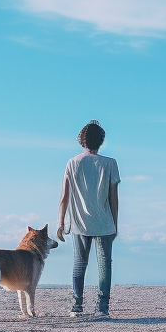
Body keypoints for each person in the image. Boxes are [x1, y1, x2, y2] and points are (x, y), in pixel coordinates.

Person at [57, 120, 119, 318]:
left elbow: (64, 197)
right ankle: (102, 309)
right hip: (104, 223)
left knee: (79, 263)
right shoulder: (110, 163)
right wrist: (115, 224)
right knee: (105, 265)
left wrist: (61, 223)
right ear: (101, 140)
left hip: (79, 222)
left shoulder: (72, 163)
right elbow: (113, 198)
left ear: (82, 141)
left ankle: (77, 307)